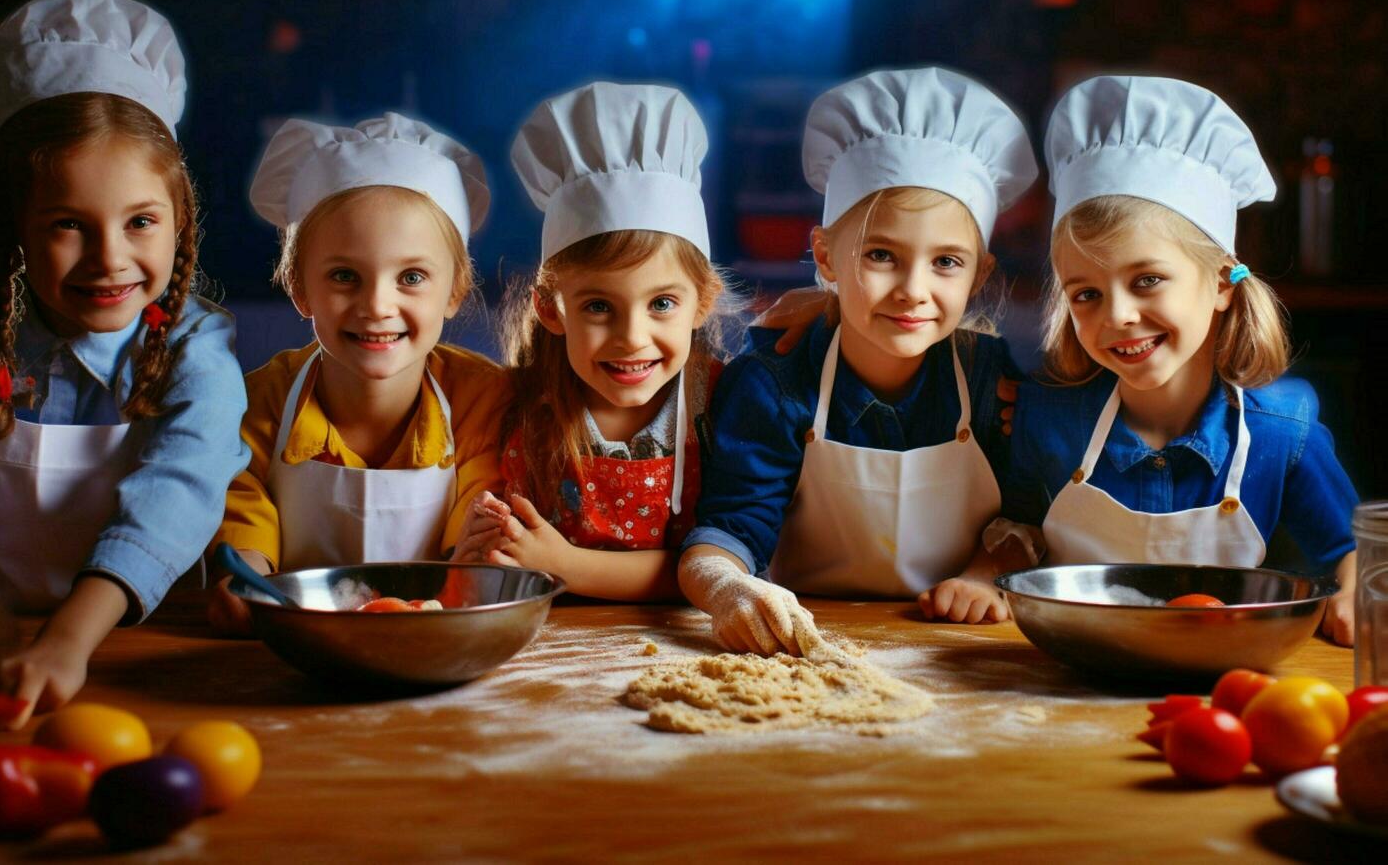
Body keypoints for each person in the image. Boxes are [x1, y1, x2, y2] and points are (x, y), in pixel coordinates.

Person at [0, 0, 249, 724]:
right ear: (5, 219)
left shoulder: (198, 345)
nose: (110, 261)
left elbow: (180, 488)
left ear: (179, 216)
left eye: (140, 222)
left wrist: (69, 638)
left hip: (148, 654)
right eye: (69, 224)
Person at [679, 68, 1039, 655]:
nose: (912, 290)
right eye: (881, 255)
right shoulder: (774, 383)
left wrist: (982, 576)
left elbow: (1030, 511)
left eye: (946, 262)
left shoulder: (989, 377)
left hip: (953, 650)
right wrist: (728, 590)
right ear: (825, 255)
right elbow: (727, 532)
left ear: (981, 275)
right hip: (809, 646)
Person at [1006, 74, 1357, 645]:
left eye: (1146, 280)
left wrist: (1353, 589)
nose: (1116, 315)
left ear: (1223, 281)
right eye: (1086, 294)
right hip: (1070, 673)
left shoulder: (1280, 432)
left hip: (1221, 678)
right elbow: (1012, 528)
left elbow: (1350, 549)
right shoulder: (1046, 417)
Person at [207, 113, 505, 634]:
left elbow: (481, 506)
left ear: (455, 290)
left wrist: (477, 560)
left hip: (436, 636)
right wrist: (245, 574)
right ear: (300, 288)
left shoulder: (483, 397)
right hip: (302, 644)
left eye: (411, 277)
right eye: (345, 276)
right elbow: (242, 494)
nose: (376, 305)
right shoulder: (262, 399)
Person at [454, 82, 735, 602]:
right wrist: (479, 549)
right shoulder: (520, 410)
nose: (632, 338)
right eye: (599, 307)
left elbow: (732, 563)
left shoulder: (727, 404)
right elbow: (501, 570)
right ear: (550, 309)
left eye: (662, 304)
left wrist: (566, 565)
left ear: (702, 301)